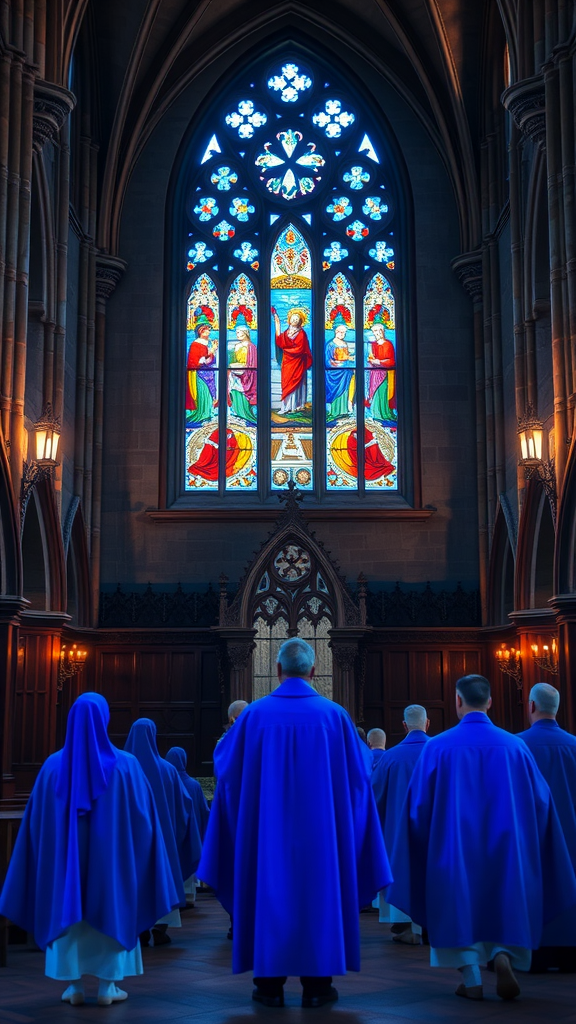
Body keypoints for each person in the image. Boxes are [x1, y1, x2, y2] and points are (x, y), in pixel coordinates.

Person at [198, 638, 391, 1008]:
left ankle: (268, 986)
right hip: (322, 837)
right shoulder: (334, 716)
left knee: (268, 891)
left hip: (265, 835)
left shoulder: (253, 716)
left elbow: (226, 770)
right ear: (314, 671)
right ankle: (317, 986)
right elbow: (360, 775)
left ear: (278, 670)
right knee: (318, 896)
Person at [387, 675, 576, 1001]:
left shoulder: (437, 747)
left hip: (453, 849)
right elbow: (542, 803)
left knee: (458, 908)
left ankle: (471, 977)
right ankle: (503, 952)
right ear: (490, 702)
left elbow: (417, 809)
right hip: (508, 849)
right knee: (506, 902)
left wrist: (419, 845)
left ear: (458, 702)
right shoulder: (515, 746)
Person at [0, 693, 178, 1006]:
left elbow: (36, 826)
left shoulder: (52, 767)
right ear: (106, 719)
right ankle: (109, 986)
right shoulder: (128, 766)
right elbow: (145, 821)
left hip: (65, 869)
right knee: (114, 909)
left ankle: (74, 987)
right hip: (113, 870)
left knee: (67, 915)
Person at [125, 719, 202, 946]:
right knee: (163, 879)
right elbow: (183, 807)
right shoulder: (168, 770)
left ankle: (137, 926)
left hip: (131, 842)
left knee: (133, 881)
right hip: (163, 841)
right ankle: (160, 927)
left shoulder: (122, 767)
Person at [517, 683, 576, 971]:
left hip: (529, 836)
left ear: (530, 706)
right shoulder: (574, 746)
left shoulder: (516, 746)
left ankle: (532, 954)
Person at [371, 705, 429, 944]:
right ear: (427, 723)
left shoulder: (390, 757)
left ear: (404, 726)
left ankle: (407, 926)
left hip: (399, 833)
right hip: (435, 832)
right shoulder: (440, 751)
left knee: (403, 872)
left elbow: (373, 798)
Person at [165, 747, 210, 906]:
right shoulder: (193, 785)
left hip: (170, 832)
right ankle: (189, 895)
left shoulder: (166, 782)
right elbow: (204, 810)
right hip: (193, 832)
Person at [273, 309, 312, 415]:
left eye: (297, 319)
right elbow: (279, 341)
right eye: (293, 318)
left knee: (297, 383)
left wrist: (287, 350)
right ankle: (286, 407)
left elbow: (300, 349)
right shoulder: (287, 332)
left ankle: (296, 406)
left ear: (300, 321)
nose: (294, 320)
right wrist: (277, 325)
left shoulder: (301, 334)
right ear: (289, 320)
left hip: (298, 362)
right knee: (287, 383)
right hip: (287, 362)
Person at [186, 320, 218, 425]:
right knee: (203, 392)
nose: (208, 332)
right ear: (200, 332)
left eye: (209, 330)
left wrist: (213, 351)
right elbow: (197, 361)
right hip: (199, 374)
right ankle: (202, 415)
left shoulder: (207, 343)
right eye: (206, 331)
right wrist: (212, 350)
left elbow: (209, 359)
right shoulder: (196, 344)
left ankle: (207, 414)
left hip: (208, 372)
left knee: (209, 393)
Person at [366, 323, 396, 424]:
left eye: (378, 331)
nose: (376, 333)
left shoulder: (388, 344)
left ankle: (382, 414)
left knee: (382, 392)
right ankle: (374, 413)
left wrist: (379, 362)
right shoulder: (373, 345)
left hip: (383, 373)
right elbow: (370, 358)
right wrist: (371, 360)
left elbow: (391, 361)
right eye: (374, 331)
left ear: (382, 331)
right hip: (374, 372)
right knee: (373, 392)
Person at [325, 325, 355, 421]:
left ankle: (343, 411)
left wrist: (348, 360)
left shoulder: (345, 344)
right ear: (336, 332)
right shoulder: (331, 345)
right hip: (334, 373)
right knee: (337, 392)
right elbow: (328, 361)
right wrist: (341, 363)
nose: (343, 334)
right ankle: (335, 412)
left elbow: (346, 356)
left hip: (345, 372)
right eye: (341, 332)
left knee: (345, 389)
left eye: (344, 333)